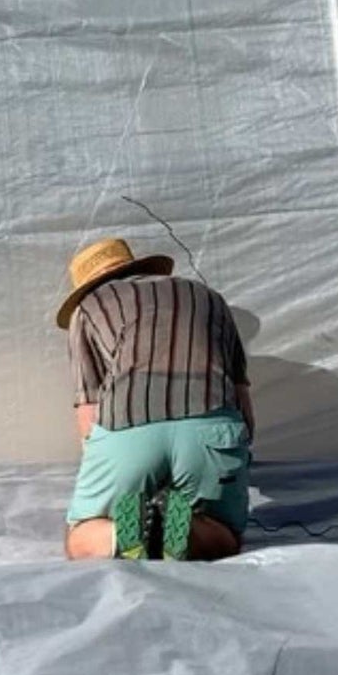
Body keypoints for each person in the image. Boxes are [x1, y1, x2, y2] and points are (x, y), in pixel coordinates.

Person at [58, 236, 255, 561]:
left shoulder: (89, 308)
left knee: (81, 537)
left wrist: (102, 471)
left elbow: (89, 414)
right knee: (225, 534)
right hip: (211, 428)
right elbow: (243, 401)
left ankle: (120, 534)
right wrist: (238, 463)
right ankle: (187, 530)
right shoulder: (209, 298)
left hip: (128, 428)